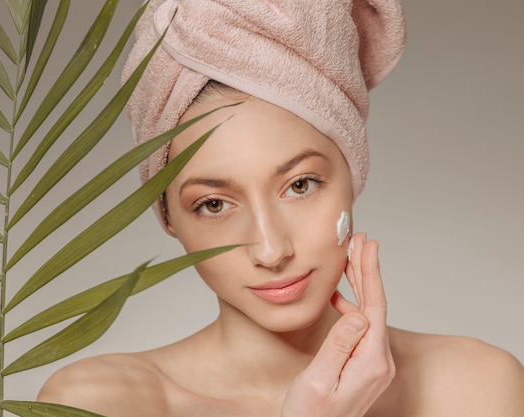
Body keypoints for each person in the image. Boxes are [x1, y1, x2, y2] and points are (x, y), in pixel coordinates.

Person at [37, 1, 524, 416]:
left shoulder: (472, 389)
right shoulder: (102, 403)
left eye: (301, 184)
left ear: (351, 175)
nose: (271, 250)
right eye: (213, 204)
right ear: (169, 217)